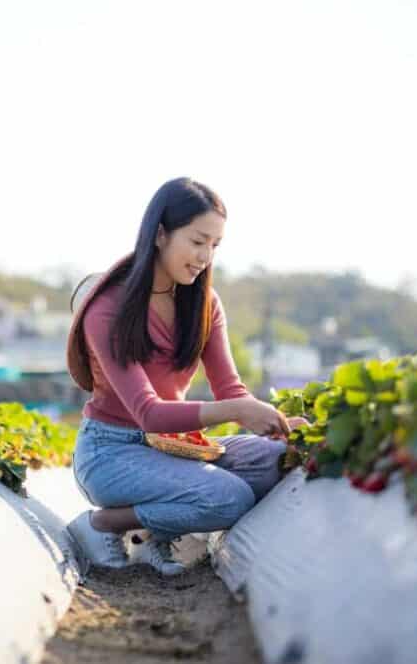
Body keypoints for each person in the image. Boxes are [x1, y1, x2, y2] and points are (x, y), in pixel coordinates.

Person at [64, 177, 307, 577]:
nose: (205, 257)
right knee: (229, 498)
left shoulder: (204, 303)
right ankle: (102, 524)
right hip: (111, 453)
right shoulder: (107, 308)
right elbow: (149, 413)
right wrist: (239, 410)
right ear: (160, 234)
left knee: (278, 461)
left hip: (173, 447)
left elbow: (230, 388)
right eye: (197, 242)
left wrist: (272, 423)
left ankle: (148, 532)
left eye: (214, 246)